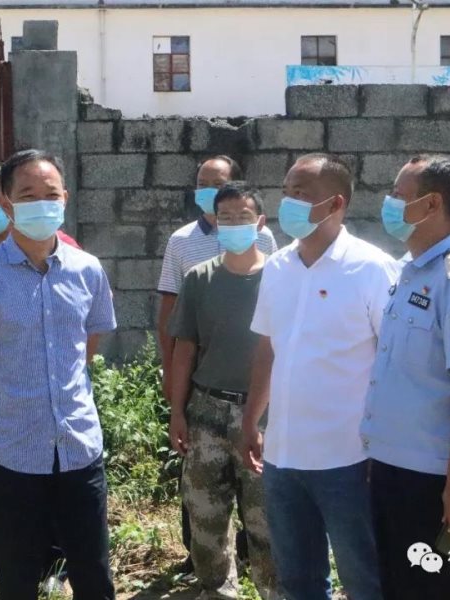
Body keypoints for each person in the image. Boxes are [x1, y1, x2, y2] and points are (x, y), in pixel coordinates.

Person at [0, 149, 117, 600]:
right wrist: (6, 393)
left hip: (79, 449)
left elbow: (87, 344)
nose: (41, 204)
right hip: (12, 453)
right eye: (27, 195)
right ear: (6, 203)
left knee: (94, 577)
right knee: (17, 580)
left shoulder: (88, 270)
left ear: (65, 198)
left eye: (51, 194)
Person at [241, 154, 396, 600]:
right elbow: (268, 347)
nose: (288, 202)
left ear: (335, 204)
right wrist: (252, 420)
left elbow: (393, 362)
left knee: (365, 577)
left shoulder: (372, 268)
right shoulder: (277, 267)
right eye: (286, 191)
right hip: (284, 458)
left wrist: (385, 447)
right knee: (298, 580)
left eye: (301, 194)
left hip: (349, 458)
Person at [361, 154, 450, 600]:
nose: (389, 203)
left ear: (432, 204)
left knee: (441, 589)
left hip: (435, 480)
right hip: (396, 470)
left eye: (398, 195)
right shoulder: (413, 268)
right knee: (400, 586)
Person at [157, 155, 277, 569]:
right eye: (226, 217)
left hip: (264, 414)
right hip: (206, 410)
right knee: (206, 523)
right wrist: (177, 409)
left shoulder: (281, 277)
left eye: (243, 217)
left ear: (260, 223)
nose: (233, 224)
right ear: (215, 221)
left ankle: (271, 591)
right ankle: (217, 590)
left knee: (266, 523)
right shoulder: (199, 278)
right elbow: (184, 348)